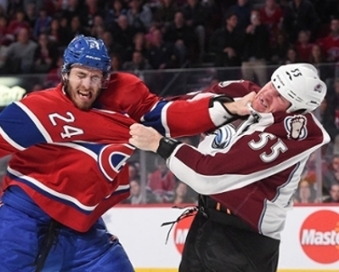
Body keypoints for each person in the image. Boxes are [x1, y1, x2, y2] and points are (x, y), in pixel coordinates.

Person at [0, 35, 253, 272]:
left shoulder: (126, 96)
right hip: (23, 219)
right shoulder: (37, 109)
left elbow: (173, 116)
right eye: (80, 75)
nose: (87, 85)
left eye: (95, 77)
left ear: (105, 77)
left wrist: (229, 108)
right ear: (65, 73)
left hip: (83, 229)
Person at [129, 63, 330, 272]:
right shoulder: (242, 92)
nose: (267, 93)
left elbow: (207, 176)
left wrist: (158, 143)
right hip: (206, 221)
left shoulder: (294, 133)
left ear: (296, 110)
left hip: (244, 243)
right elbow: (184, 107)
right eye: (273, 83)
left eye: (280, 96)